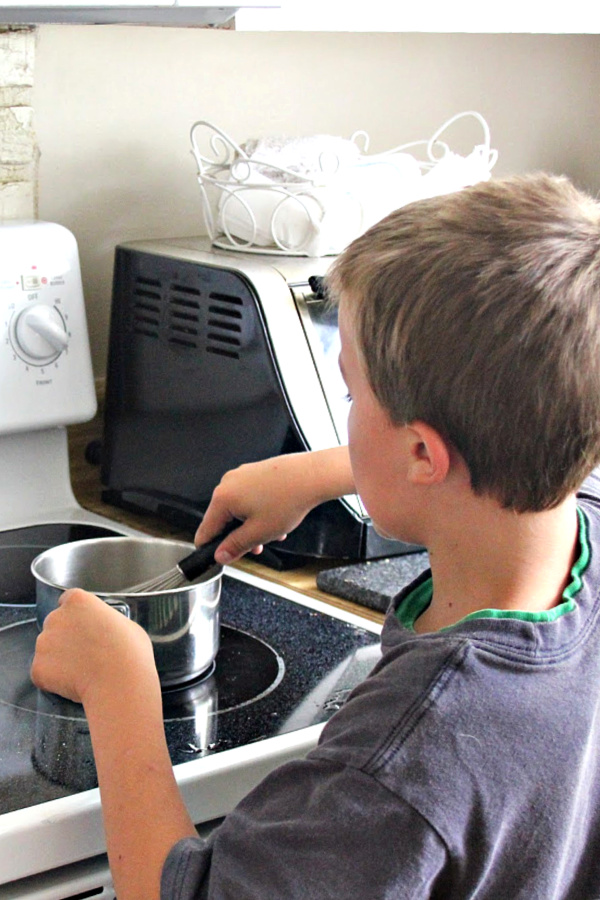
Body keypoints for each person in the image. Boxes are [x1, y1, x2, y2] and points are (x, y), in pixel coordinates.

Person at [31, 172, 600, 900]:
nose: (345, 408)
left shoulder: (401, 759)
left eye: (351, 393)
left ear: (425, 454)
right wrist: (329, 471)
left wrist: (120, 690)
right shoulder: (572, 523)